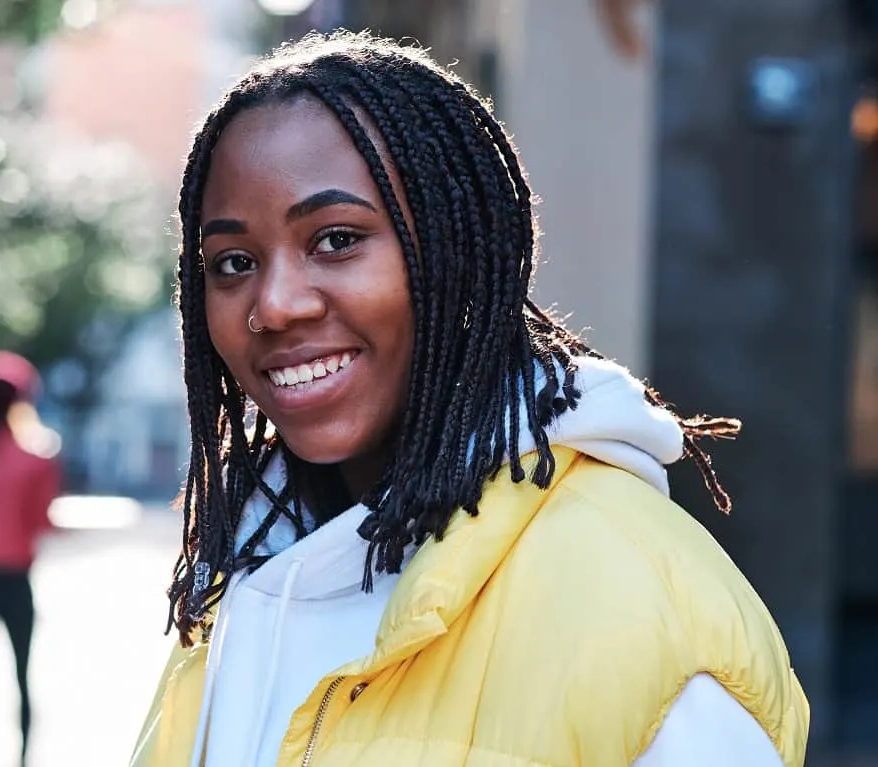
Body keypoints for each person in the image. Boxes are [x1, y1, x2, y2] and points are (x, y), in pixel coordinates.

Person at [131, 32, 808, 767]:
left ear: (457, 250)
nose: (276, 304)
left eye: (334, 239)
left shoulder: (651, 612)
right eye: (233, 262)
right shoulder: (243, 577)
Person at [0, 351, 60, 765]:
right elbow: (42, 523)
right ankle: (23, 758)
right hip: (13, 579)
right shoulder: (36, 459)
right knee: (22, 676)